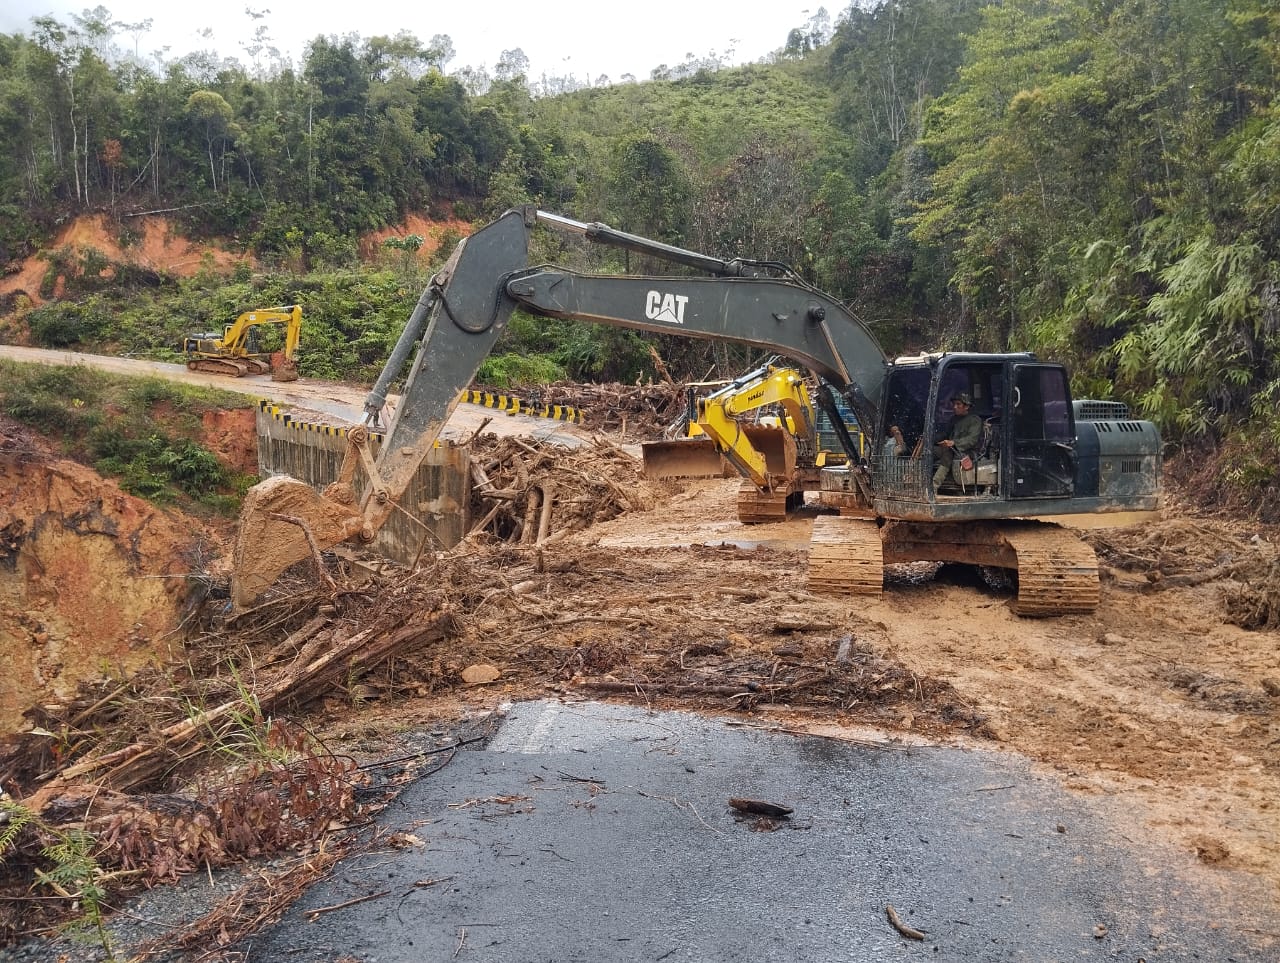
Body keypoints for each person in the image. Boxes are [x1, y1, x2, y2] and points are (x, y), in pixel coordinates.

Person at [933, 392, 982, 490]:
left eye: (958, 404)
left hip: (967, 451)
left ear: (967, 406)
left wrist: (954, 443)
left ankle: (933, 486)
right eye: (954, 404)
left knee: (948, 454)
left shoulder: (975, 420)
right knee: (930, 451)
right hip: (951, 448)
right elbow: (945, 434)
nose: (955, 407)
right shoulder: (954, 419)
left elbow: (972, 440)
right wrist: (932, 439)